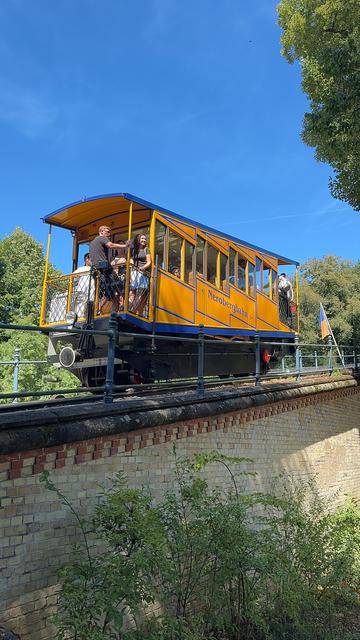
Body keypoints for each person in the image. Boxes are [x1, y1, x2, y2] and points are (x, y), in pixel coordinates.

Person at [89, 226, 130, 311]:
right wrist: (125, 246)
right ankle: (123, 307)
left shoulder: (92, 242)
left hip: (95, 270)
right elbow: (110, 245)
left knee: (106, 292)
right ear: (101, 232)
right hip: (104, 268)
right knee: (120, 286)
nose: (109, 234)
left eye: (109, 232)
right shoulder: (102, 238)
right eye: (107, 232)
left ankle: (97, 310)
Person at [129, 234, 152, 313]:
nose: (144, 240)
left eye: (145, 239)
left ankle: (132, 311)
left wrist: (143, 267)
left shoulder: (146, 250)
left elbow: (149, 262)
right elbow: (131, 259)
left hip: (143, 273)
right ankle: (129, 308)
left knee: (139, 293)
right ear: (138, 239)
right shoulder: (134, 250)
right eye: (142, 238)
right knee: (132, 292)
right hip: (134, 272)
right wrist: (131, 266)